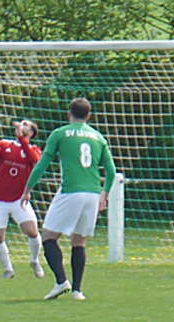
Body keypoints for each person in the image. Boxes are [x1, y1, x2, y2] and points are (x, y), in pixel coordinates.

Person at [21, 97, 117, 301]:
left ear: (69, 113)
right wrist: (104, 195)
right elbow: (111, 170)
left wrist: (28, 188)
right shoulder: (98, 137)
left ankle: (61, 281)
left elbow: (42, 163)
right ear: (88, 116)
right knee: (79, 241)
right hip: (92, 193)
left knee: (48, 237)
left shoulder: (60, 133)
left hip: (70, 191)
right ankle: (77, 291)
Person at [0, 120, 45, 279]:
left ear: (31, 133)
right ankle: (8, 269)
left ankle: (34, 260)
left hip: (19, 200)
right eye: (21, 123)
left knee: (32, 232)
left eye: (26, 125)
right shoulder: (4, 144)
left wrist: (23, 140)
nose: (21, 125)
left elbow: (35, 160)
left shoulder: (34, 149)